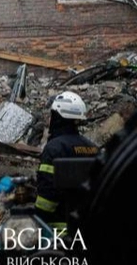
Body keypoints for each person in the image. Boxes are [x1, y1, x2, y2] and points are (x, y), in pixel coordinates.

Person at [35, 91, 99, 232]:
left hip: (59, 233)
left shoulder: (54, 148)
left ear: (58, 117)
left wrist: (34, 221)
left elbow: (46, 200)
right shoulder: (92, 148)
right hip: (88, 230)